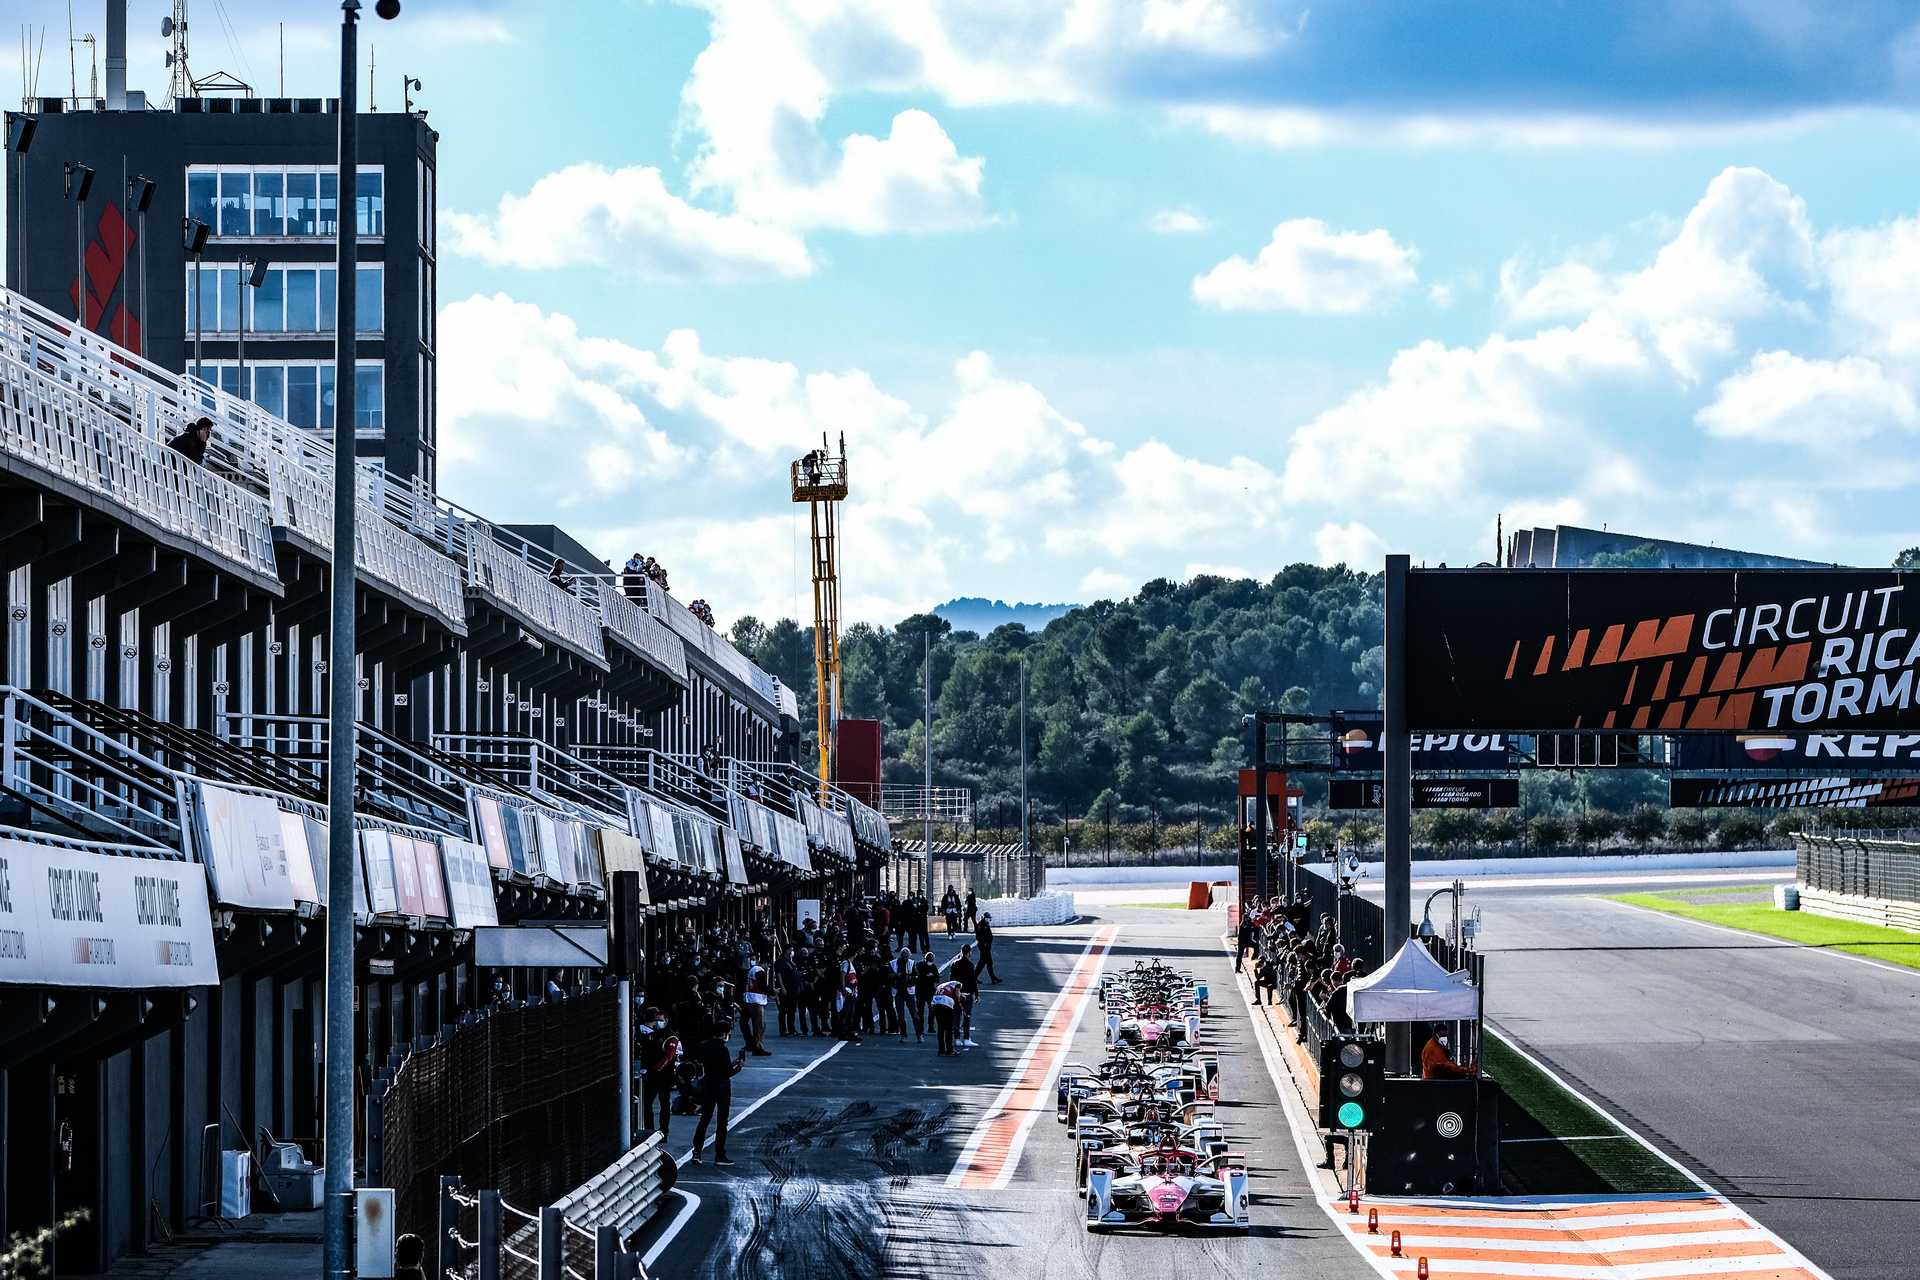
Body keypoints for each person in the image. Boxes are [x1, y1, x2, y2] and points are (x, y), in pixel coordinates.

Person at [687, 1030, 746, 1167]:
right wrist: (738, 1067)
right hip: (722, 1087)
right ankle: (720, 1154)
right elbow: (727, 1072)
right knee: (722, 1121)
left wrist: (732, 1063)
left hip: (708, 1084)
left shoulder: (705, 1046)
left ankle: (697, 1152)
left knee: (705, 1119)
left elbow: (715, 1067)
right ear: (724, 1033)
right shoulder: (723, 1049)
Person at [639, 1014, 678, 1140]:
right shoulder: (652, 1034)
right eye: (656, 1020)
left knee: (664, 1104)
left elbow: (669, 1057)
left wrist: (656, 1069)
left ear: (666, 1020)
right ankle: (649, 1131)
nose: (658, 1022)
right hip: (651, 1075)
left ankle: (663, 1132)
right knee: (647, 1103)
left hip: (665, 1076)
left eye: (661, 1020)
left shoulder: (671, 1037)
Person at [741, 956, 772, 1055]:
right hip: (756, 1001)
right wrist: (772, 992)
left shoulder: (752, 970)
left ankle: (750, 1043)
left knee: (745, 1022)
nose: (768, 968)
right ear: (765, 963)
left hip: (749, 999)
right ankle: (757, 1047)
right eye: (768, 965)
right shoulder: (759, 970)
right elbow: (763, 986)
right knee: (759, 1025)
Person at [891, 946, 922, 1042]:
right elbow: (889, 975)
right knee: (900, 1014)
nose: (905, 958)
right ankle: (903, 1035)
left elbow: (916, 976)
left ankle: (919, 1034)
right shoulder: (893, 963)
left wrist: (911, 979)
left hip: (909, 991)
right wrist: (897, 975)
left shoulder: (911, 963)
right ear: (901, 955)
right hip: (898, 991)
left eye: (907, 956)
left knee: (914, 1014)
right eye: (904, 956)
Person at [952, 943, 979, 1047]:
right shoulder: (970, 965)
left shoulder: (954, 963)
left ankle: (957, 1039)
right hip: (967, 994)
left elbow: (952, 980)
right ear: (968, 952)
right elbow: (973, 980)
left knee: (956, 1017)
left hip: (957, 994)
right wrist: (976, 993)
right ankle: (966, 1038)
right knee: (967, 1016)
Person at [930, 978, 960, 1055]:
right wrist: (959, 1002)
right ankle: (949, 1050)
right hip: (946, 1005)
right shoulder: (958, 983)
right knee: (949, 1028)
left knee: (941, 1027)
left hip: (936, 1004)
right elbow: (957, 994)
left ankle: (941, 1050)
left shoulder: (942, 985)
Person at [974, 913, 1002, 984]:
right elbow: (978, 936)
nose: (989, 919)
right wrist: (984, 943)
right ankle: (993, 978)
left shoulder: (985, 924)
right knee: (987, 962)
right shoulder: (981, 925)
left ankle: (975, 978)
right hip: (983, 947)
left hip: (987, 946)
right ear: (984, 918)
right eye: (988, 918)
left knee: (984, 963)